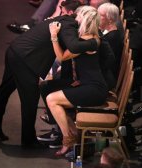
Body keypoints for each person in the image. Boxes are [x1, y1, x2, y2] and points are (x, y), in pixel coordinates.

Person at [0, 0, 99, 147]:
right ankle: (28, 141)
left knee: (5, 89)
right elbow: (74, 46)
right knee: (30, 99)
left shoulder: (59, 20)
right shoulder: (69, 24)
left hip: (15, 50)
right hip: (25, 60)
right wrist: (95, 42)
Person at [47, 5, 108, 155]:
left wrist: (54, 36)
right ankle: (75, 135)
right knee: (53, 97)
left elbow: (62, 57)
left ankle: (68, 139)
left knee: (52, 99)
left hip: (95, 89)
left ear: (84, 19)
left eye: (78, 16)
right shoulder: (89, 38)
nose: (75, 19)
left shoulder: (88, 41)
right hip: (89, 84)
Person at [98, 2, 123, 82]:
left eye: (100, 15)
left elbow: (106, 63)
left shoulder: (112, 37)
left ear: (110, 19)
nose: (96, 18)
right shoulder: (111, 33)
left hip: (105, 79)